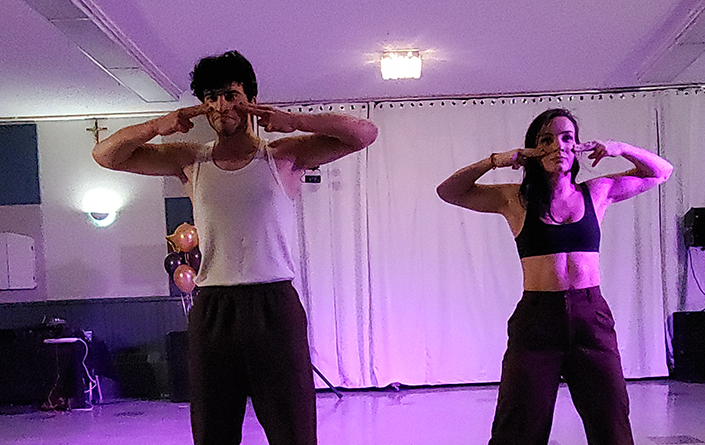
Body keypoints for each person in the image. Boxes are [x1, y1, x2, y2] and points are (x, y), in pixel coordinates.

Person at [93, 50, 378, 445]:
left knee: (293, 430)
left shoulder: (283, 155)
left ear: (250, 100)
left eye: (231, 95)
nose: (221, 106)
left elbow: (364, 133)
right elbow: (106, 155)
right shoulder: (190, 160)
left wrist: (294, 120)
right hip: (214, 307)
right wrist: (158, 125)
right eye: (211, 97)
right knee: (213, 432)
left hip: (273, 304)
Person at [436, 108, 672, 445]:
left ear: (577, 146)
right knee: (518, 426)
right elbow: (449, 191)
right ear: (533, 150)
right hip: (537, 320)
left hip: (591, 317)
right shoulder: (515, 199)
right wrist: (495, 161)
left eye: (567, 138)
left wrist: (620, 148)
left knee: (611, 421)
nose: (558, 146)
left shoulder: (597, 191)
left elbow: (662, 172)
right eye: (546, 140)